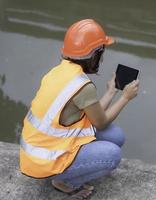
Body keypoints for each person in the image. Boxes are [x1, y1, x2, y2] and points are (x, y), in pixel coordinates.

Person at [19, 19, 139, 199]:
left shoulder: (60, 72)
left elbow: (94, 114)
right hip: (45, 161)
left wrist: (111, 91)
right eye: (102, 52)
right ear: (95, 54)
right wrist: (125, 97)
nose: (103, 58)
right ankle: (63, 181)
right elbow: (101, 121)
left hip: (42, 148)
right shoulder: (82, 85)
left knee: (116, 136)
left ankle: (67, 170)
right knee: (112, 155)